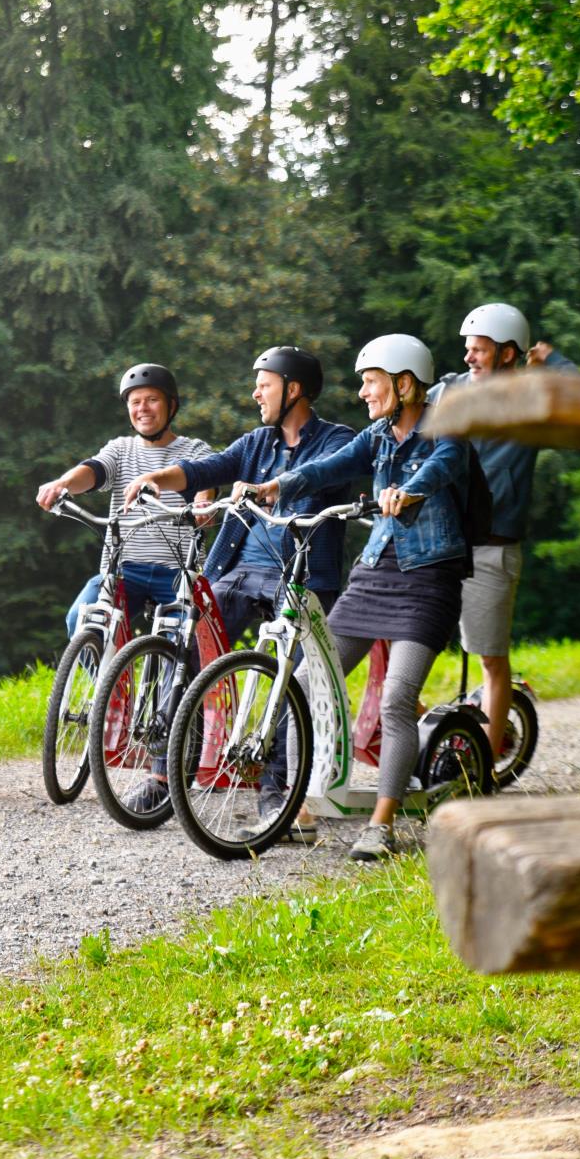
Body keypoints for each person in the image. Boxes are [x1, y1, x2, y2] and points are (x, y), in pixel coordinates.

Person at [123, 346, 356, 835]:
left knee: (285, 681)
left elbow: (331, 474)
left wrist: (273, 487)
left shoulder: (338, 440)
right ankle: (165, 774)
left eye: (264, 384)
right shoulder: (256, 442)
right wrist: (156, 478)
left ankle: (279, 797)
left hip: (301, 576)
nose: (255, 392)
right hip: (239, 570)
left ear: (293, 390)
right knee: (186, 651)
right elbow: (209, 469)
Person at [255, 334, 470, 861]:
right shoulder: (375, 437)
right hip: (373, 573)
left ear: (403, 383)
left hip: (429, 577)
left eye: (369, 382)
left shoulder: (448, 430)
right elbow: (328, 467)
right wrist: (276, 486)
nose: (362, 393)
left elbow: (442, 466)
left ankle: (382, 823)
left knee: (396, 701)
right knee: (306, 682)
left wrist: (409, 490)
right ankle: (300, 809)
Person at [429, 303, 577, 758]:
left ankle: (486, 768)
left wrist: (550, 360)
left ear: (509, 354)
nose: (469, 357)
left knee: (490, 657)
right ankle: (428, 744)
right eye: (467, 349)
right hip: (437, 544)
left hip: (492, 549)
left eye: (480, 349)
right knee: (405, 652)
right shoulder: (449, 390)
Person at [35, 363, 214, 638]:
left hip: (177, 573)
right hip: (124, 570)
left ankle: (174, 683)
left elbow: (206, 481)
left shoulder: (195, 450)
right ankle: (111, 681)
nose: (143, 408)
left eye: (152, 400)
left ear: (171, 406)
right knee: (80, 622)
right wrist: (62, 483)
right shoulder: (120, 449)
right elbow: (94, 470)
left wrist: (203, 503)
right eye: (136, 402)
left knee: (183, 640)